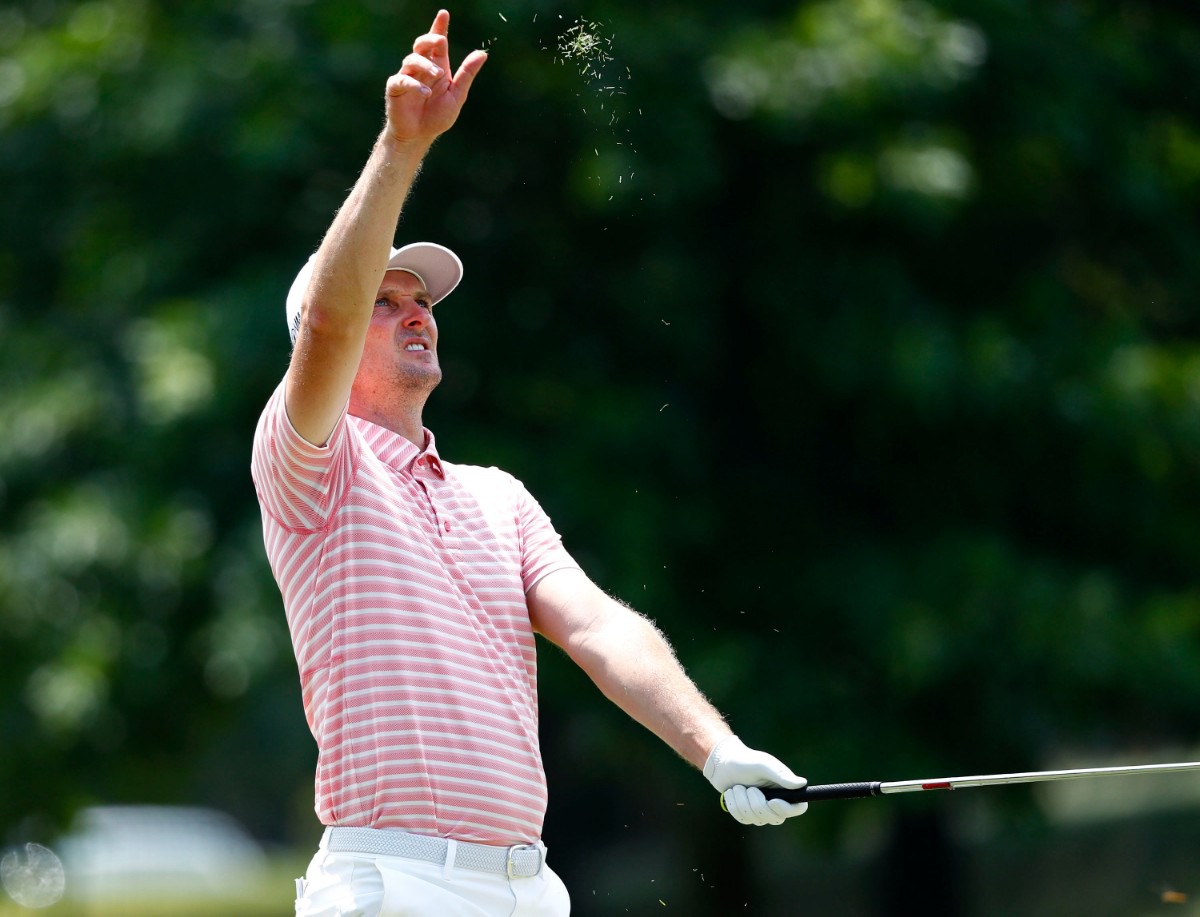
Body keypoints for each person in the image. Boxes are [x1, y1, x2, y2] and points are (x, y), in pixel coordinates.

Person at [251, 10, 808, 916]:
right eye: (386, 303)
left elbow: (598, 628)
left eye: (421, 298)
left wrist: (717, 747)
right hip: (394, 882)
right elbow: (327, 321)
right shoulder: (311, 465)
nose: (416, 312)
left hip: (527, 887)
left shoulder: (496, 495)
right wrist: (402, 145)